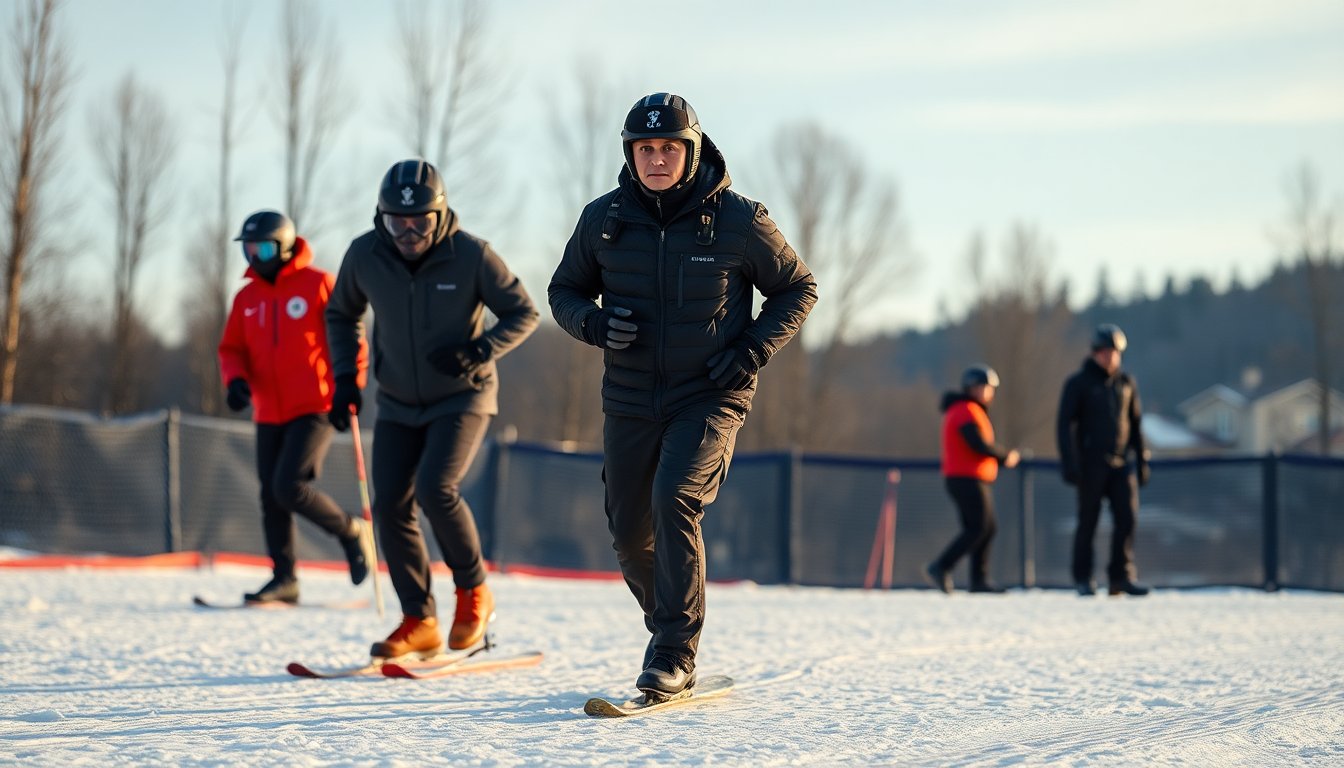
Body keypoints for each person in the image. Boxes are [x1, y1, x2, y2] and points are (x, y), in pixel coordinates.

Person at [549, 93, 818, 700]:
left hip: (710, 394)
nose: (657, 159)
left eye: (669, 147)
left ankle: (674, 649)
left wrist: (751, 349)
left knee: (675, 499)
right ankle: (668, 622)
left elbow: (798, 287)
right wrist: (591, 324)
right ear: (631, 153)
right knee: (628, 530)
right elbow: (563, 290)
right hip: (628, 396)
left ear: (692, 150)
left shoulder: (740, 219)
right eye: (645, 149)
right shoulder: (604, 218)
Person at [326, 159, 539, 658]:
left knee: (435, 488)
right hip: (399, 400)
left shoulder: (471, 255)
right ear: (380, 217)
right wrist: (344, 379)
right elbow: (342, 314)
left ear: (440, 215)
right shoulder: (365, 254)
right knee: (390, 506)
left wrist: (481, 348)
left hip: (463, 395)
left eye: (419, 221)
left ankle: (474, 592)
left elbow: (523, 312)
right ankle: (419, 618)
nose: (407, 232)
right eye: (395, 222)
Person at [217, 209, 374, 605]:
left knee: (288, 486)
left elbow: (350, 338)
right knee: (271, 496)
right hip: (269, 410)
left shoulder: (318, 284)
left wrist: (349, 387)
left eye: (264, 247)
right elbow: (231, 348)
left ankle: (351, 531)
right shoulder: (246, 297)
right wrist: (234, 381)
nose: (255, 255)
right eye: (249, 248)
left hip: (317, 404)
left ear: (285, 247)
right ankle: (284, 578)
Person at [1056, 323, 1151, 597]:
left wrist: (1142, 458)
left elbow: (1135, 424)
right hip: (1091, 465)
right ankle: (1083, 578)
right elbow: (1064, 425)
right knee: (1088, 521)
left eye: (1115, 352)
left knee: (1127, 518)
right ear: (1096, 353)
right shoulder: (1079, 384)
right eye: (1105, 351)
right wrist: (1070, 462)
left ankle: (1121, 576)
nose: (1110, 357)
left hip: (1122, 464)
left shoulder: (1126, 383)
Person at [925, 365, 1020, 595]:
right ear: (972, 388)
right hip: (965, 477)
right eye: (985, 387)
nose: (989, 393)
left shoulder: (970, 410)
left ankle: (979, 579)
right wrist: (1004, 456)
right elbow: (976, 443)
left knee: (986, 528)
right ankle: (942, 566)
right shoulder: (965, 410)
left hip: (971, 477)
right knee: (978, 527)